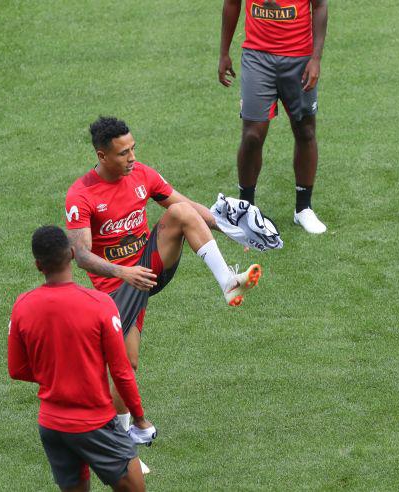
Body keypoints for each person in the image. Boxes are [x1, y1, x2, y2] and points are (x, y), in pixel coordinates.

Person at [65, 116, 262, 471]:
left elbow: (187, 207)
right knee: (126, 365)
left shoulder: (141, 175)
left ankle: (228, 282)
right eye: (123, 153)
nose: (131, 158)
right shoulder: (81, 195)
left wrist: (231, 229)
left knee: (180, 212)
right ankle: (125, 438)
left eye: (133, 149)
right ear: (102, 155)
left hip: (151, 265)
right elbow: (81, 256)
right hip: (115, 287)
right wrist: (123, 271)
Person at [8, 225, 155, 491]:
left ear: (38, 266)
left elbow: (16, 369)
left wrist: (56, 373)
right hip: (95, 423)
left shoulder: (22, 306)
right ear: (73, 254)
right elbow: (121, 371)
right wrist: (140, 419)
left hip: (52, 426)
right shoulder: (100, 305)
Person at [218, 0, 329, 234]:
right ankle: (245, 209)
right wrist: (224, 53)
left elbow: (319, 6)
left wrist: (316, 59)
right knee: (252, 136)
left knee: (305, 131)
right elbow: (231, 3)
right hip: (257, 57)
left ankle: (303, 209)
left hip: (299, 58)